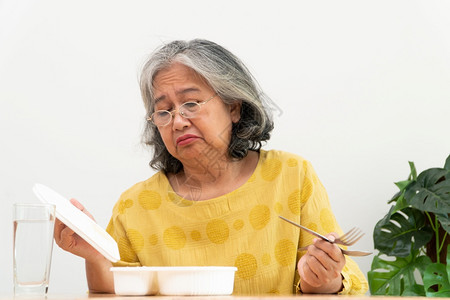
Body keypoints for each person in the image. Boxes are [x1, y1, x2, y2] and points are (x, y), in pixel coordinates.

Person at [54, 39, 368, 295]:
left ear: (233, 106)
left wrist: (322, 281)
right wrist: (94, 255)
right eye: (164, 111)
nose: (177, 121)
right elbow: (113, 292)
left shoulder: (292, 176)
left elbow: (347, 282)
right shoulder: (135, 205)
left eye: (191, 103)